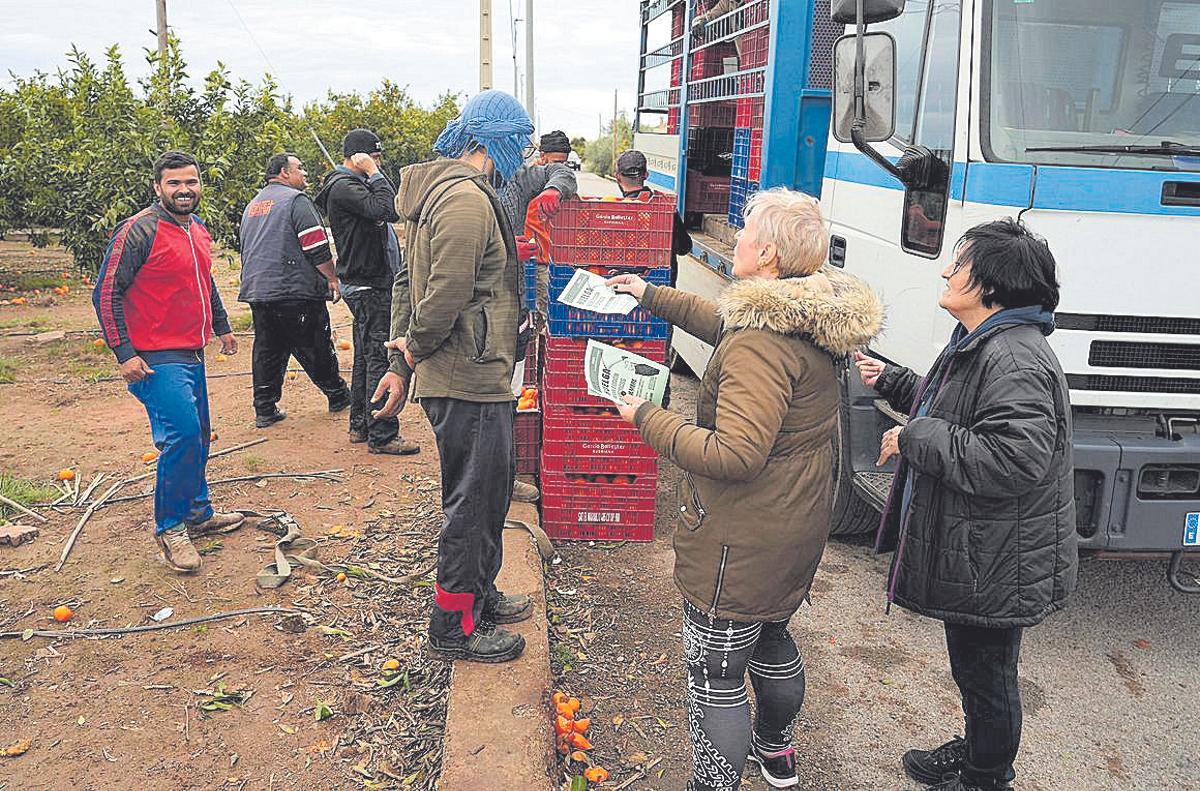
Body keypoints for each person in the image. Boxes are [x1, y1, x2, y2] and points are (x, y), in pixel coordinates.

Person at [607, 188, 884, 790]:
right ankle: (775, 751)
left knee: (716, 672)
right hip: (793, 525)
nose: (737, 237)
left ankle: (714, 783)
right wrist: (648, 293)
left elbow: (735, 453)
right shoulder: (803, 312)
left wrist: (646, 418)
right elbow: (727, 324)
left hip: (743, 537)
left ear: (771, 256)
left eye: (748, 231)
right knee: (772, 637)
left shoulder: (761, 343)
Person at [856, 219, 1077, 791]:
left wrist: (914, 437)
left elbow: (1013, 459)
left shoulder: (1015, 358)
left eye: (957, 264)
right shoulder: (986, 342)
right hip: (986, 549)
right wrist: (897, 382)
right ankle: (980, 751)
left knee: (988, 674)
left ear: (989, 284)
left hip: (999, 554)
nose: (946, 271)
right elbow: (962, 410)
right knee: (976, 668)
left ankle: (986, 775)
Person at [373, 90, 535, 663]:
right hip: (466, 374)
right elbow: (444, 295)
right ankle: (453, 626)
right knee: (471, 503)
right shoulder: (465, 200)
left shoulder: (436, 194)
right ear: (495, 141)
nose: (525, 154)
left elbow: (404, 287)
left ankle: (479, 594)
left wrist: (400, 362)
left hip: (469, 372)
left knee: (488, 493)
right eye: (521, 142)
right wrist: (411, 352)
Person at [92, 150, 244, 572]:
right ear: (158, 187)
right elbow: (106, 293)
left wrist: (222, 324)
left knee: (200, 433)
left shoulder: (197, 229)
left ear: (200, 185)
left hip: (191, 350)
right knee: (183, 433)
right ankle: (170, 525)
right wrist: (124, 352)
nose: (184, 190)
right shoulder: (138, 231)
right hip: (155, 356)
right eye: (174, 183)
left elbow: (204, 280)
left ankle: (198, 512)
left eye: (190, 182)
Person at [314, 129, 418, 455]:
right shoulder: (345, 186)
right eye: (374, 157)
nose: (379, 163)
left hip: (365, 283)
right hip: (368, 285)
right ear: (358, 156)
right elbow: (388, 209)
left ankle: (360, 424)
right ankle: (383, 433)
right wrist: (373, 173)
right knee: (379, 358)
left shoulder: (349, 186)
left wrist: (371, 173)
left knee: (364, 358)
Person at [238, 153, 350, 428]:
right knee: (315, 344)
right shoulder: (296, 201)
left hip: (259, 290)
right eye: (300, 168)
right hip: (293, 288)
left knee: (268, 348)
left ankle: (264, 408)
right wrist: (332, 277)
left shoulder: (254, 205)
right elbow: (314, 244)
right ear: (284, 173)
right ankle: (338, 395)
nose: (305, 173)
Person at [498, 129, 578, 504]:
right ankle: (494, 479)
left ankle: (504, 476)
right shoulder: (461, 192)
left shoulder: (519, 178)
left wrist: (554, 190)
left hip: (512, 296)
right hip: (478, 307)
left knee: (510, 383)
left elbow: (562, 173)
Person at [614, 149, 692, 285]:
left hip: (620, 286)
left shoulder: (609, 211)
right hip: (661, 291)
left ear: (617, 177)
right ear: (646, 175)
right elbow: (684, 248)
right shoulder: (665, 207)